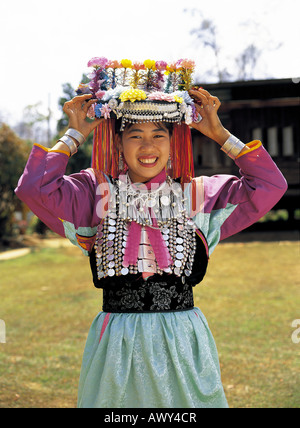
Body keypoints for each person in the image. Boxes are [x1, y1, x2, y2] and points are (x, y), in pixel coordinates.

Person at [15, 58, 287, 408]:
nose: (148, 147)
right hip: (117, 343)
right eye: (135, 136)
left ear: (175, 144)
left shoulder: (197, 196)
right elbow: (33, 188)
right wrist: (76, 133)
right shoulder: (94, 192)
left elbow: (268, 185)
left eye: (159, 135)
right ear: (118, 144)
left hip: (183, 342)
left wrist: (219, 134)